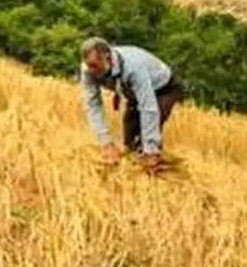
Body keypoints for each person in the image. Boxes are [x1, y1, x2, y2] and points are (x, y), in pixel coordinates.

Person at [79, 37, 186, 171]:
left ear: (107, 57)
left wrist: (150, 149)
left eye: (94, 66)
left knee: (144, 142)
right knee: (130, 143)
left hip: (163, 89)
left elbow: (148, 107)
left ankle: (157, 170)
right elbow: (92, 105)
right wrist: (106, 143)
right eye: (88, 65)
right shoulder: (88, 70)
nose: (92, 71)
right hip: (132, 92)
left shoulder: (133, 67)